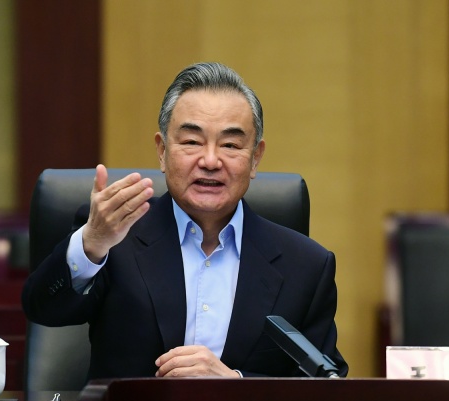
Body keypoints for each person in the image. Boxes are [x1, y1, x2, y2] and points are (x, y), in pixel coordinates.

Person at [22, 62, 348, 379]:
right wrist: (92, 243)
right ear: (162, 151)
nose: (210, 161)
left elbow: (325, 388)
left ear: (255, 158)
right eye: (192, 142)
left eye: (230, 145)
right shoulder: (115, 238)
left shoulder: (305, 266)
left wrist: (237, 384)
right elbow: (43, 310)